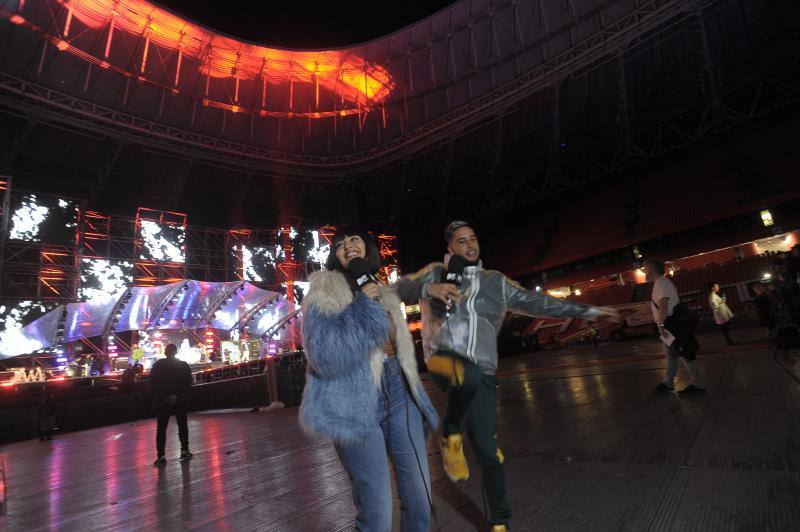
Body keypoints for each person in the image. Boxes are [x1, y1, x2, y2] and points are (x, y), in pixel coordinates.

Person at [394, 220, 619, 532]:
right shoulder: (436, 272)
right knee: (466, 374)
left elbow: (538, 302)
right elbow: (397, 289)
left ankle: (499, 523)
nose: (470, 245)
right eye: (461, 241)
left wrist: (587, 311)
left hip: (483, 371)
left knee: (489, 452)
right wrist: (427, 288)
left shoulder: (495, 281)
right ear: (450, 249)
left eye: (473, 238)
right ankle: (451, 432)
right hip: (444, 362)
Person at [298, 225, 439, 532]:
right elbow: (324, 357)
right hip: (354, 400)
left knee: (419, 494)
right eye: (340, 244)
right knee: (376, 509)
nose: (348, 246)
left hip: (399, 390)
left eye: (354, 239)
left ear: (367, 248)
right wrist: (362, 304)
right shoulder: (324, 290)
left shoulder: (380, 288)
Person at [647, 259, 705, 395]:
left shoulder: (661, 283)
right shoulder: (661, 283)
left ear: (653, 269)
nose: (644, 271)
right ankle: (668, 383)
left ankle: (698, 385)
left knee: (685, 353)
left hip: (670, 325)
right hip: (670, 324)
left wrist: (661, 325)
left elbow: (663, 305)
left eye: (646, 268)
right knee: (671, 355)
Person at [150, 343, 193, 466]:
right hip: (180, 400)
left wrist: (165, 396)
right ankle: (184, 450)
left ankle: (161, 456)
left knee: (161, 429)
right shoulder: (183, 366)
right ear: (176, 352)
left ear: (165, 352)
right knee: (182, 425)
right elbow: (187, 383)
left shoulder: (157, 366)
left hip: (163, 401)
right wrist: (177, 395)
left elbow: (153, 384)